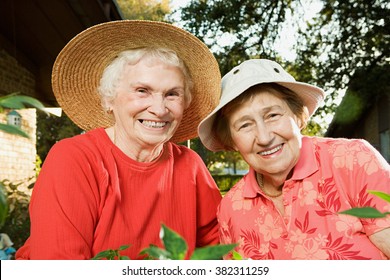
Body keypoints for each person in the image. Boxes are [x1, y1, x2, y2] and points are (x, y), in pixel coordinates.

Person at [16, 20, 222, 260]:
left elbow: (221, 247)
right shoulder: (74, 159)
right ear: (109, 99)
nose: (159, 108)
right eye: (142, 90)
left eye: (172, 94)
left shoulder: (190, 165)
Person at [198, 59, 390, 260]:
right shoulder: (231, 208)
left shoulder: (353, 160)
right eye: (245, 125)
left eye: (272, 115)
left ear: (298, 117)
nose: (264, 138)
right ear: (233, 141)